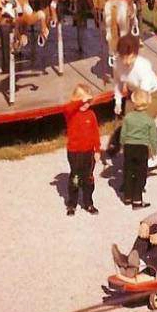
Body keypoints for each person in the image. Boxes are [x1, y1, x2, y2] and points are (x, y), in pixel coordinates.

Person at [63, 83, 101, 215]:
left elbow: (95, 133)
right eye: (83, 101)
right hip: (74, 152)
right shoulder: (71, 114)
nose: (86, 104)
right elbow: (67, 108)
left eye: (89, 101)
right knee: (75, 177)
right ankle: (72, 203)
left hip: (88, 152)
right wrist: (79, 101)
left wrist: (97, 150)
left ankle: (88, 203)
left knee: (88, 178)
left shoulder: (91, 115)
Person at [119, 89, 157, 208]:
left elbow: (123, 133)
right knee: (140, 173)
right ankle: (137, 199)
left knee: (129, 171)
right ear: (147, 103)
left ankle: (127, 196)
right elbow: (153, 138)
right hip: (142, 148)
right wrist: (154, 150)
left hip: (129, 147)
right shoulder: (149, 120)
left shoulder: (128, 117)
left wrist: (122, 144)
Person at [112, 33, 157, 116]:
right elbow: (118, 84)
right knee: (129, 120)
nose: (128, 61)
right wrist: (118, 102)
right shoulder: (117, 64)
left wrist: (137, 106)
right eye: (124, 57)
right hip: (133, 92)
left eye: (131, 58)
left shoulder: (143, 65)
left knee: (143, 121)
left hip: (150, 93)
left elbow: (144, 90)